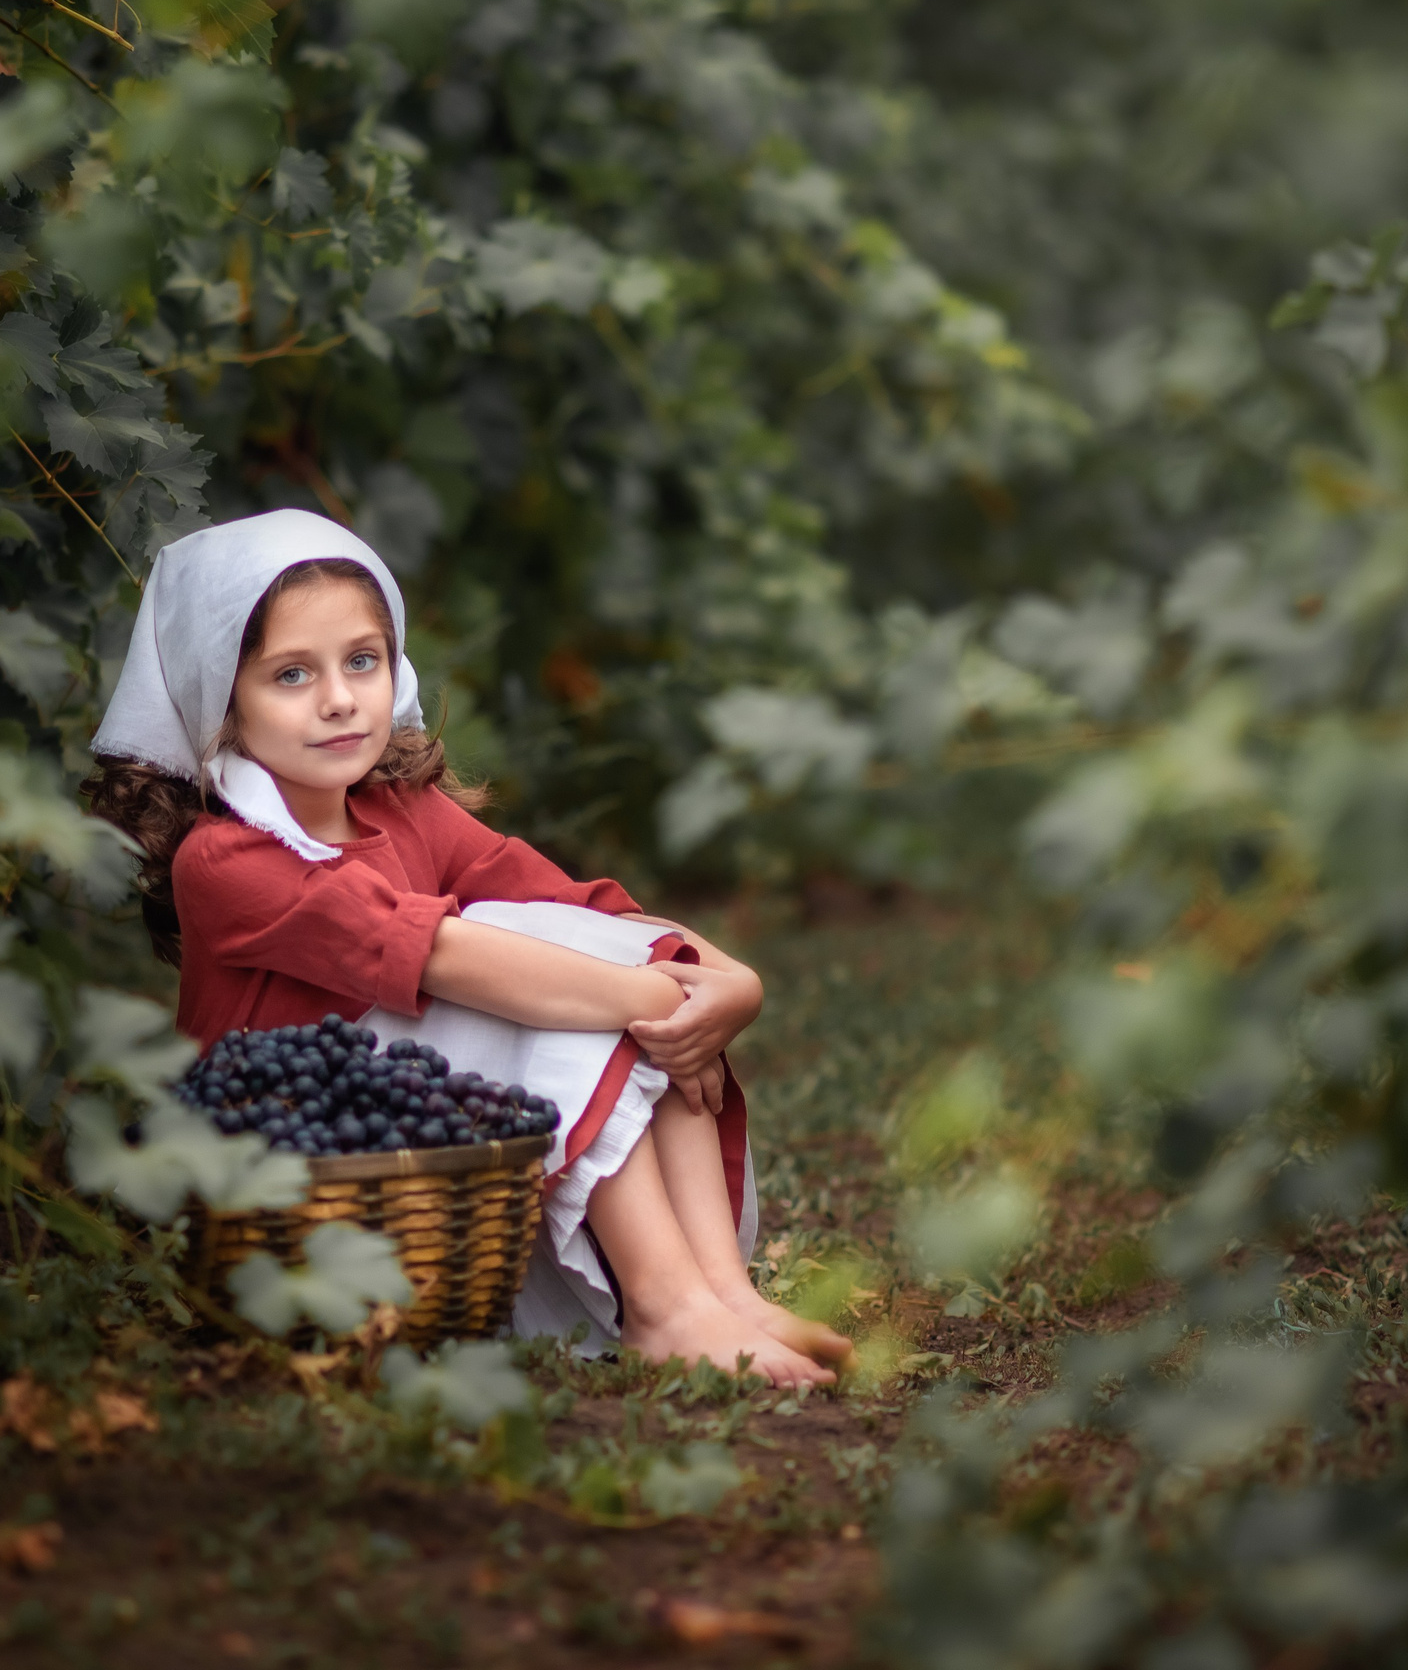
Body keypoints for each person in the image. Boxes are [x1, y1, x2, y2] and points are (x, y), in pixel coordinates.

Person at [84, 510, 851, 1387]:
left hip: (456, 1171)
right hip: (306, 1169)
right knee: (553, 978)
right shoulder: (223, 860)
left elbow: (582, 906)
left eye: (361, 661)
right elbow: (444, 957)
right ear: (219, 695)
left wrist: (729, 984)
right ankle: (661, 1305)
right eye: (292, 674)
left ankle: (723, 1288)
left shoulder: (402, 809)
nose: (339, 698)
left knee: (584, 959)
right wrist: (657, 998)